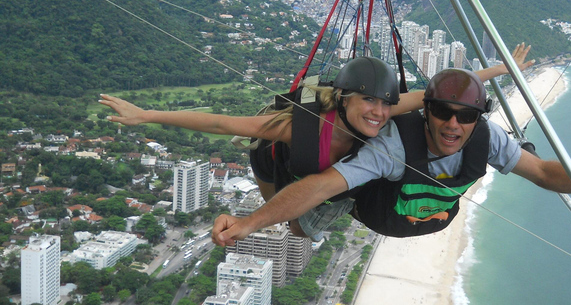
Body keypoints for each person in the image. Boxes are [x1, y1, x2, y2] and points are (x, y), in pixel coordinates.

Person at [100, 45, 533, 239]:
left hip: (332, 179)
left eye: (385, 104)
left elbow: (446, 93)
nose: (379, 113)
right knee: (295, 227)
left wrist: (504, 69)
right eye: (369, 102)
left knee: (318, 218)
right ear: (345, 98)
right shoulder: (302, 128)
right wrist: (147, 115)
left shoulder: (390, 110)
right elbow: (221, 124)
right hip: (283, 169)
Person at [211, 66, 571, 245]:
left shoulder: (487, 138)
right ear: (426, 112)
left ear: (478, 118)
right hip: (376, 207)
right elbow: (324, 184)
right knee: (302, 229)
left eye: (465, 116)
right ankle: (272, 165)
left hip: (428, 220)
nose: (453, 124)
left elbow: (544, 172)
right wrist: (249, 223)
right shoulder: (395, 145)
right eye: (441, 111)